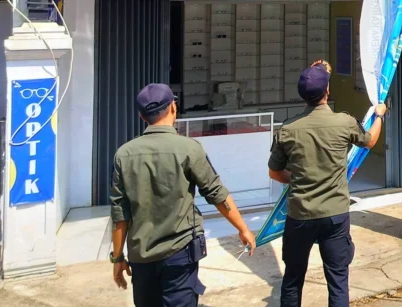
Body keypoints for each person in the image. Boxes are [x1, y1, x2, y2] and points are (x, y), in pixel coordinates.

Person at [109, 83, 255, 307]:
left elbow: (120, 213)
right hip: (180, 253)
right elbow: (217, 194)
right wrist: (243, 228)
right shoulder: (189, 148)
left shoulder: (124, 154)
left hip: (142, 256)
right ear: (173, 108)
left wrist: (118, 258)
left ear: (141, 116)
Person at [268, 60, 386, 307]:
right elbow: (370, 141)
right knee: (338, 280)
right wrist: (379, 116)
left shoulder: (287, 129)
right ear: (328, 92)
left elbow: (275, 173)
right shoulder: (344, 122)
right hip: (335, 215)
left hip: (300, 216)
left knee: (292, 280)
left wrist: (298, 179)